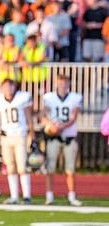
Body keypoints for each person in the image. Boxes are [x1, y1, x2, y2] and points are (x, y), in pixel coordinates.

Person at [0, 78, 35, 204]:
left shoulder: (22, 98)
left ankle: (27, 196)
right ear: (2, 88)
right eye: (6, 87)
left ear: (15, 87)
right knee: (10, 167)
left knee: (22, 166)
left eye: (10, 86)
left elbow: (29, 118)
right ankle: (14, 196)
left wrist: (32, 134)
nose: (8, 89)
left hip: (20, 135)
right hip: (6, 137)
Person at [42, 74, 83, 206]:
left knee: (70, 169)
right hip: (53, 136)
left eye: (65, 83)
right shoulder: (49, 97)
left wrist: (62, 126)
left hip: (69, 136)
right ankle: (49, 196)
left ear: (69, 84)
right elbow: (43, 114)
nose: (63, 86)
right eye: (60, 83)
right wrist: (50, 125)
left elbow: (74, 116)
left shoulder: (75, 98)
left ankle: (72, 196)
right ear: (56, 84)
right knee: (50, 168)